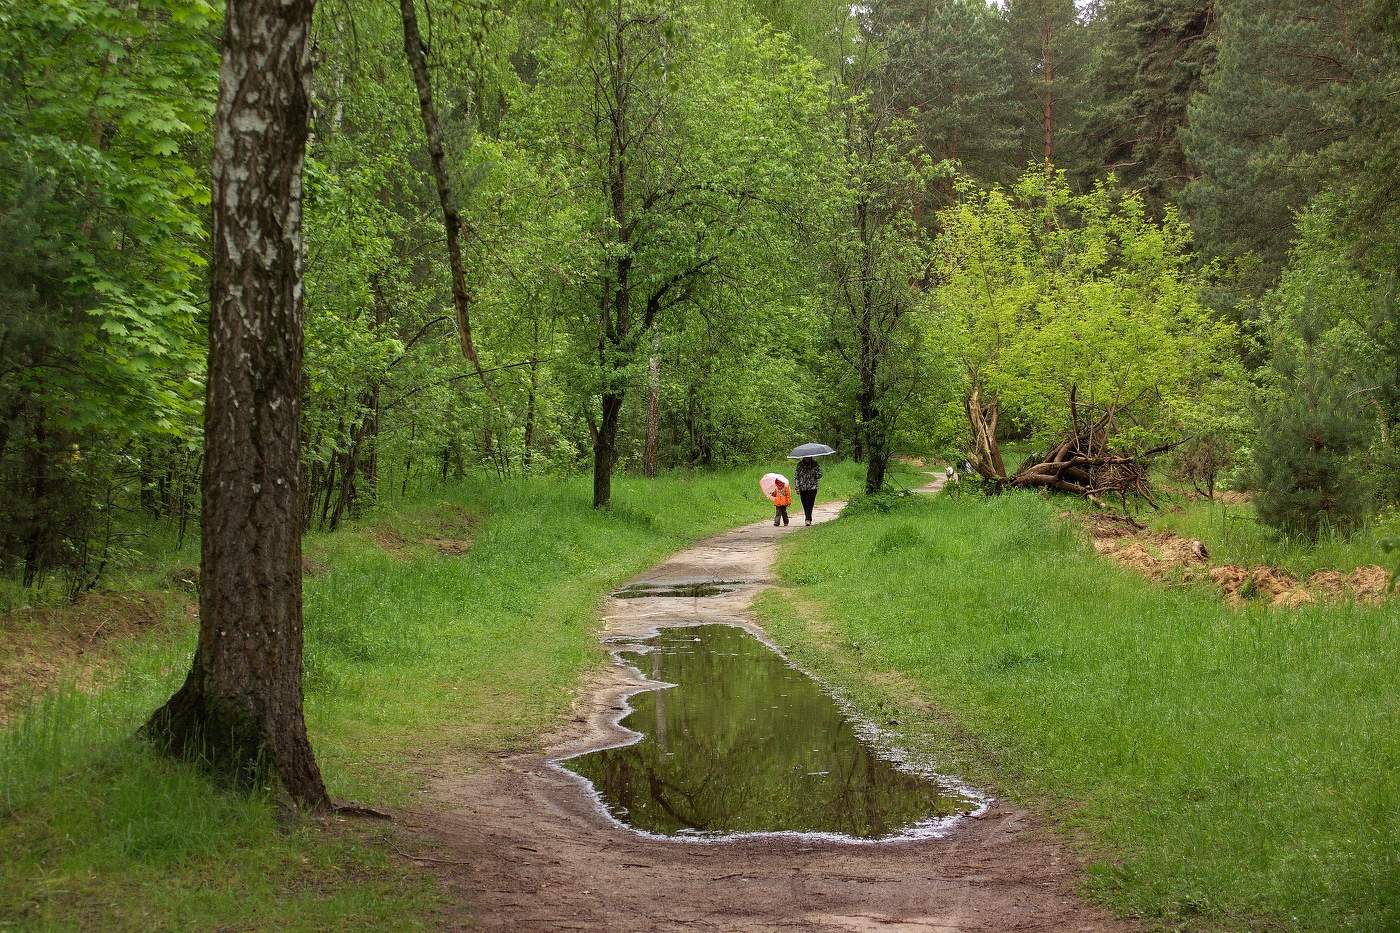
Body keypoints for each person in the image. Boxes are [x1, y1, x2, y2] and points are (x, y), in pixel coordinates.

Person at [794, 456, 821, 526]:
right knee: (805, 504)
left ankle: (808, 519)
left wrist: (814, 472)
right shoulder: (799, 464)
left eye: (809, 457)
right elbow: (796, 476)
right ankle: (808, 517)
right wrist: (797, 487)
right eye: (806, 457)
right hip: (802, 487)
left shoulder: (815, 464)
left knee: (809, 503)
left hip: (812, 487)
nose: (807, 458)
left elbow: (820, 475)